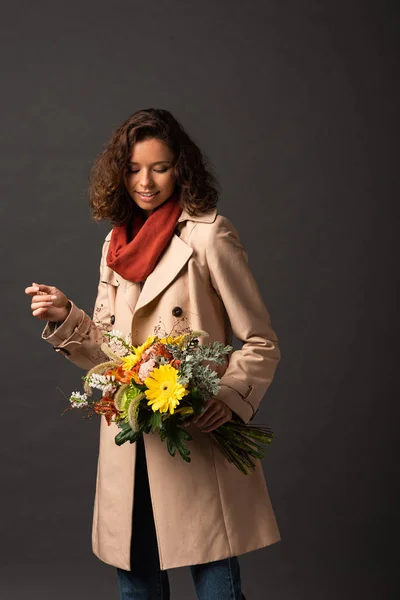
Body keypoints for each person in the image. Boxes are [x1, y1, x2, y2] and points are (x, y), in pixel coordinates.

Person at [25, 108, 282, 600]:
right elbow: (108, 348)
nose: (145, 181)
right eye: (134, 168)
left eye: (159, 167)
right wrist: (64, 315)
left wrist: (228, 395)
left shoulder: (209, 235)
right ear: (119, 172)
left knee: (217, 592)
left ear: (181, 168)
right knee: (138, 591)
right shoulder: (115, 244)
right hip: (131, 442)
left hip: (197, 439)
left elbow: (260, 341)